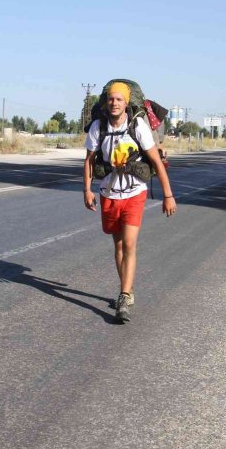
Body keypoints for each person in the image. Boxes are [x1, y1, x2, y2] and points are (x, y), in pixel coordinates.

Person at [83, 81, 177, 323]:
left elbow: (156, 161)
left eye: (119, 100)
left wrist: (168, 195)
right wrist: (87, 189)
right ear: (106, 102)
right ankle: (128, 287)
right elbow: (89, 161)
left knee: (130, 244)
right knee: (118, 246)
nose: (114, 103)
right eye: (111, 99)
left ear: (126, 103)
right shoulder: (98, 126)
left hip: (135, 192)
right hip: (109, 193)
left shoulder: (137, 126)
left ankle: (124, 296)